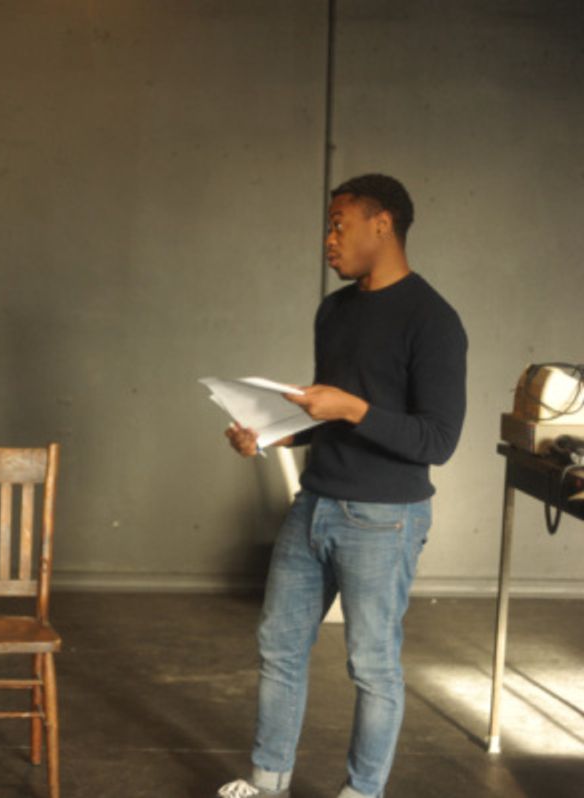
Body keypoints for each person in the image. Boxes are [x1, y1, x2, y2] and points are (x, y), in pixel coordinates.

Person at [216, 174, 467, 798]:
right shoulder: (334, 310)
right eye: (328, 227)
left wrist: (351, 407)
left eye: (338, 224)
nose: (328, 240)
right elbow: (321, 415)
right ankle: (268, 784)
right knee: (279, 647)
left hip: (385, 519)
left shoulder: (433, 320)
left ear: (382, 225)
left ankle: (362, 792)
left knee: (372, 666)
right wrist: (269, 435)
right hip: (315, 505)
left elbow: (437, 441)